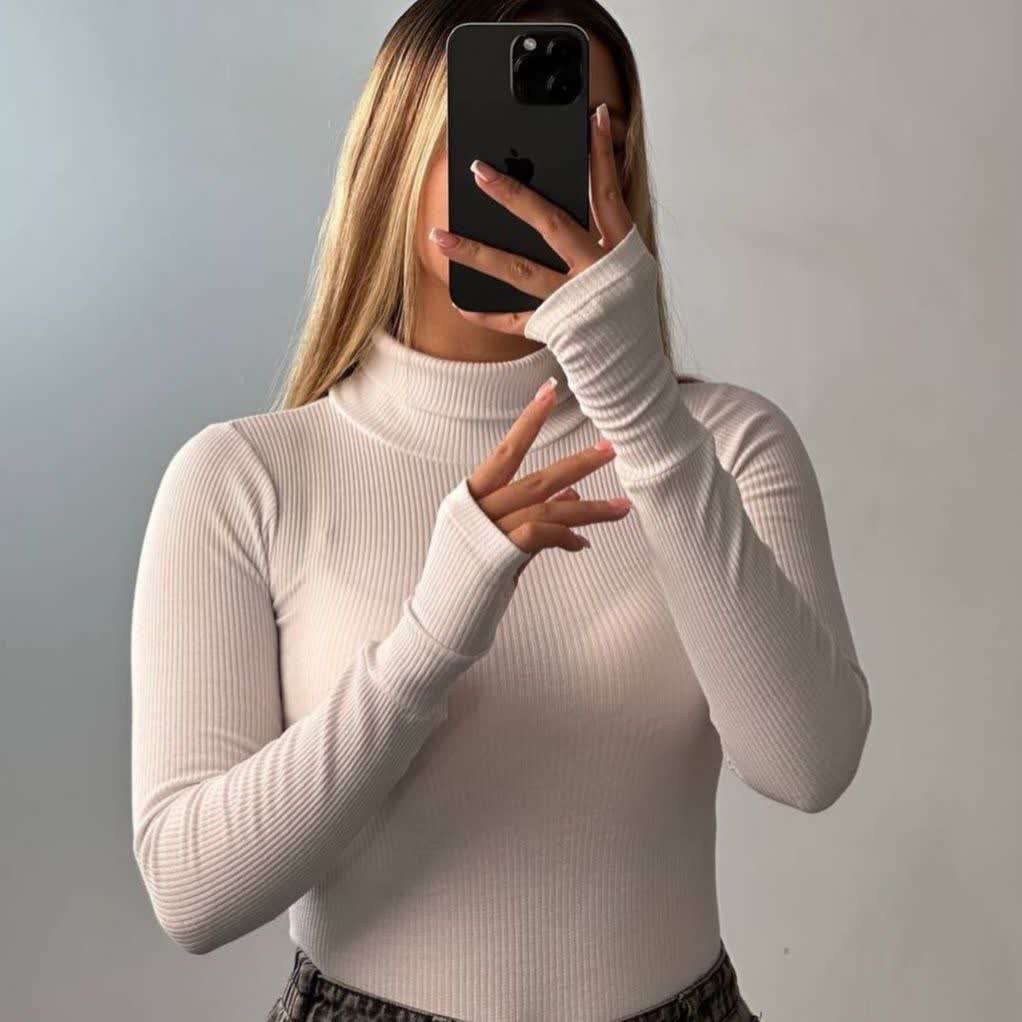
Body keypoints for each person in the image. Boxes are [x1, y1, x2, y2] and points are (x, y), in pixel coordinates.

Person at [130, 2, 871, 1020]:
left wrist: (642, 415)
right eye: (495, 133)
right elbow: (192, 891)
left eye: (590, 141)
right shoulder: (244, 477)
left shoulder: (727, 442)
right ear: (396, 156)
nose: (536, 180)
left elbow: (808, 765)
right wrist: (430, 635)